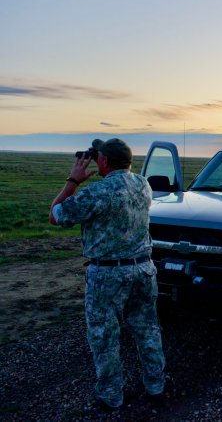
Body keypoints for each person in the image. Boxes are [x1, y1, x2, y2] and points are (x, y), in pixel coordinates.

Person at [49, 138, 165, 411]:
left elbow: (55, 215)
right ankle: (156, 386)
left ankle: (112, 396)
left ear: (103, 161)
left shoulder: (97, 193)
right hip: (143, 269)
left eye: (97, 156)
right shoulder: (143, 184)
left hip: (107, 274)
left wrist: (73, 180)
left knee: (104, 337)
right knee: (148, 330)